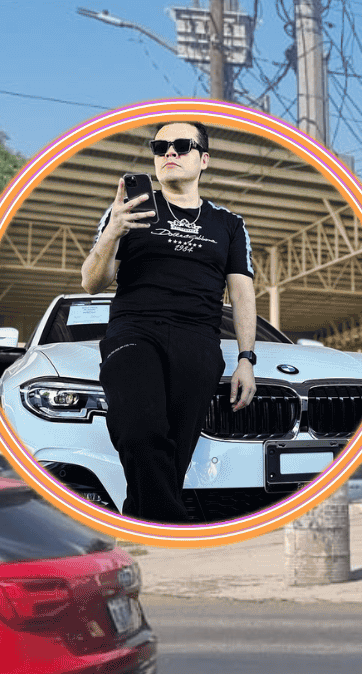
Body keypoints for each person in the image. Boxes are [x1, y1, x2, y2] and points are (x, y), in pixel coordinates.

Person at [79, 118, 257, 522]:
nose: (169, 153)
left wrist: (246, 358)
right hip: (134, 331)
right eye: (160, 148)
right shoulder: (127, 211)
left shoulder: (229, 224)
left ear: (204, 159)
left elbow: (242, 294)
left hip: (199, 339)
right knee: (138, 430)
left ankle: (145, 525)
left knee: (174, 452)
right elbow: (91, 282)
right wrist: (113, 232)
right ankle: (175, 525)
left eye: (181, 145)